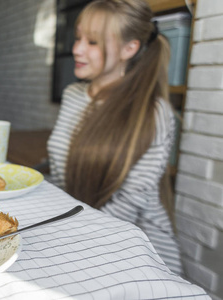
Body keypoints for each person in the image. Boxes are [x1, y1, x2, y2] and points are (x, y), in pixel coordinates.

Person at [47, 0, 182, 274]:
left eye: (93, 42)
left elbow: (129, 204)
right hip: (73, 227)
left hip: (133, 243)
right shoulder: (74, 95)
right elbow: (62, 175)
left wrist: (67, 237)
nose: (76, 49)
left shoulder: (153, 111)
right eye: (78, 38)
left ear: (129, 48)